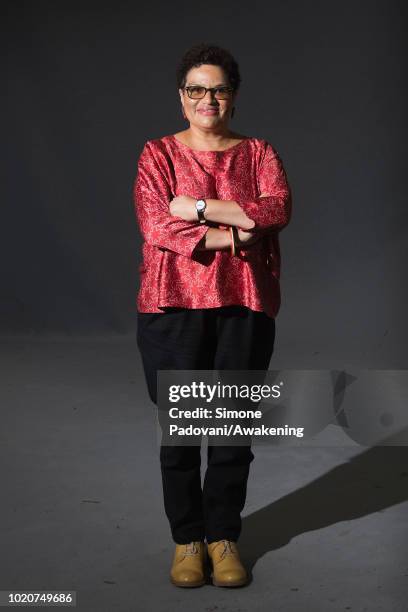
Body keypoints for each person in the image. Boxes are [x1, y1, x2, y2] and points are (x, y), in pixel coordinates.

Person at [133, 42, 292, 588]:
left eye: (218, 89)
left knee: (230, 430)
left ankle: (224, 537)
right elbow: (157, 225)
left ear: (233, 97)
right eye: (197, 89)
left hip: (244, 304)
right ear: (182, 99)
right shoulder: (157, 155)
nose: (208, 98)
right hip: (172, 304)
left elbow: (276, 209)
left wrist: (197, 207)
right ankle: (187, 540)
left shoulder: (259, 152)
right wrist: (235, 231)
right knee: (180, 431)